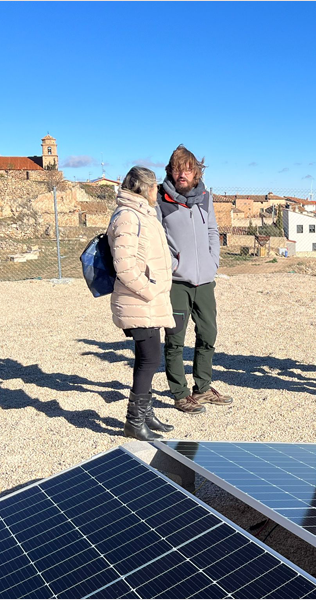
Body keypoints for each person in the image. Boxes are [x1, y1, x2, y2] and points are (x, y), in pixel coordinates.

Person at [157, 145, 233, 413]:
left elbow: (213, 230)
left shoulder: (206, 198)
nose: (182, 174)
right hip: (177, 282)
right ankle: (179, 393)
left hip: (205, 281)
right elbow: (157, 239)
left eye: (187, 169)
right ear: (171, 171)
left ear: (196, 173)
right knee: (175, 339)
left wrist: (213, 261)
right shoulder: (160, 199)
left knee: (208, 334)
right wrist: (173, 263)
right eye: (177, 169)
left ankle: (202, 388)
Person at [108, 166, 176, 441]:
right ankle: (134, 422)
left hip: (148, 301)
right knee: (148, 360)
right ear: (145, 188)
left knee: (149, 359)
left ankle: (146, 414)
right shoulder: (128, 216)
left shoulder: (140, 214)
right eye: (155, 187)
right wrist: (149, 291)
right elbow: (124, 266)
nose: (158, 191)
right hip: (140, 301)